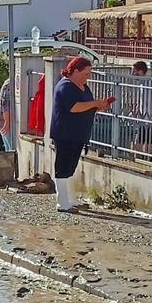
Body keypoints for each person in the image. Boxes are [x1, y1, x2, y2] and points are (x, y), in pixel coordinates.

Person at [50, 56, 113, 213]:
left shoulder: (84, 86)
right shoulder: (66, 86)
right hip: (65, 133)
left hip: (78, 133)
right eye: (86, 73)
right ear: (75, 71)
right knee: (63, 167)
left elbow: (87, 106)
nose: (88, 76)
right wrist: (94, 104)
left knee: (71, 167)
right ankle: (62, 202)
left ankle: (71, 200)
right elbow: (74, 107)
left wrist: (99, 106)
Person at [0, 77, 13, 151]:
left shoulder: (8, 83)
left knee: (9, 149)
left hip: (3, 120)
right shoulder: (9, 84)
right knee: (10, 149)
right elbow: (5, 105)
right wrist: (7, 122)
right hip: (4, 121)